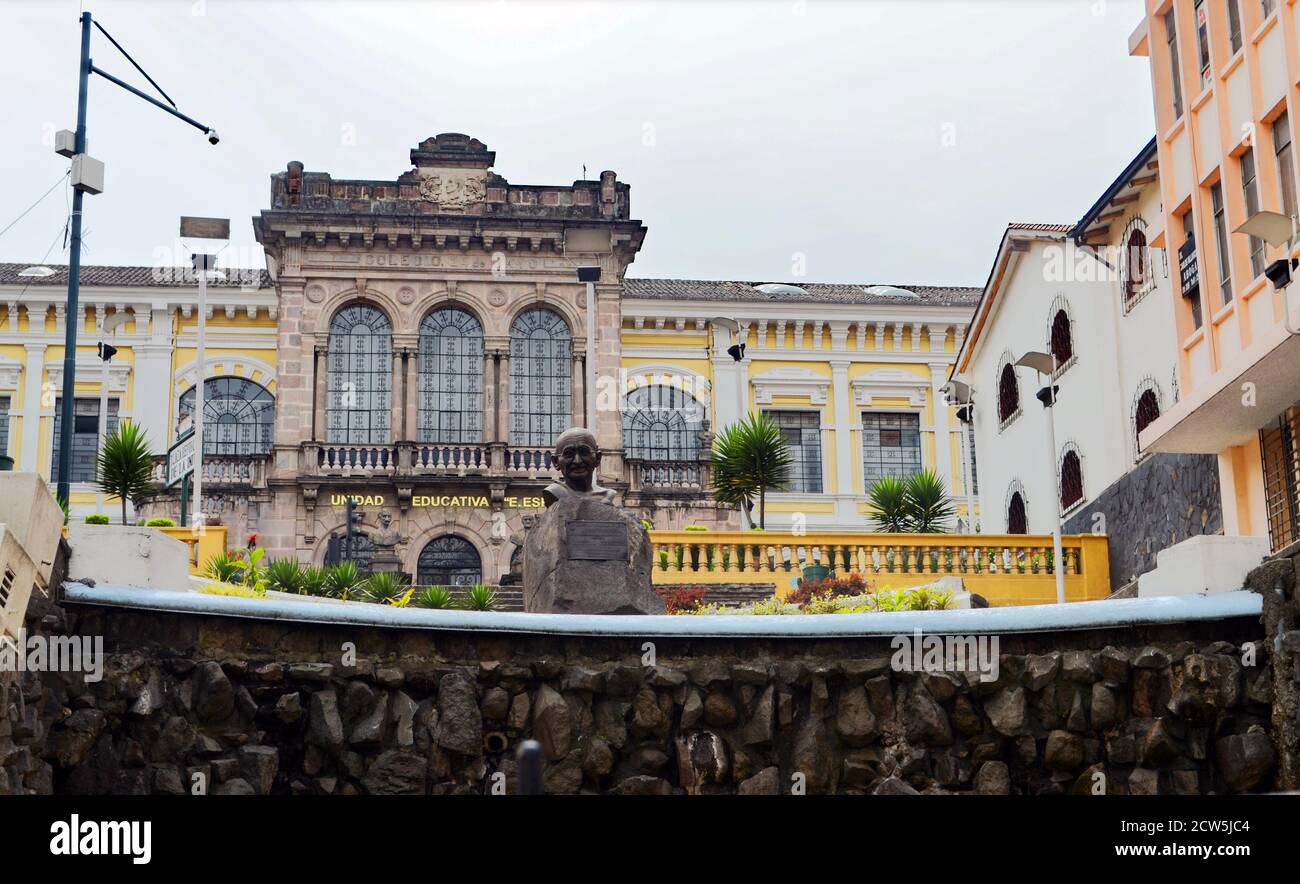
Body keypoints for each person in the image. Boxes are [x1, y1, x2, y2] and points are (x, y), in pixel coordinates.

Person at [542, 427, 616, 507]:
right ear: (556, 462)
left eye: (584, 452)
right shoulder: (554, 492)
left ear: (598, 458)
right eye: (569, 454)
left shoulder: (607, 495)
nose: (577, 461)